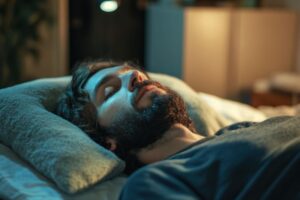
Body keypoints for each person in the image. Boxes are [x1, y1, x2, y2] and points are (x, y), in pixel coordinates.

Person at [57, 60, 300, 199]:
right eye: (108, 92)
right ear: (107, 141)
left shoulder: (240, 129)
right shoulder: (151, 184)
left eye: (133, 71)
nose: (135, 75)